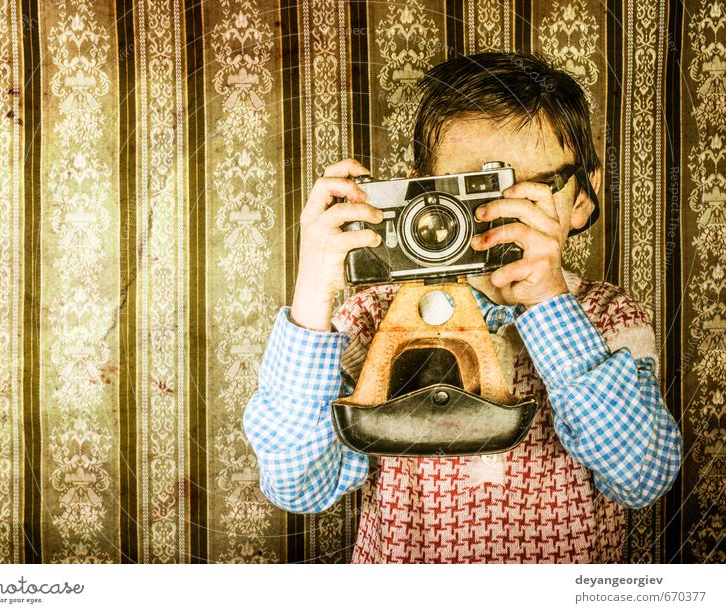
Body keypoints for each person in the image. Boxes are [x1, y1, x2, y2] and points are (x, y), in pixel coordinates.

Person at [243, 52, 681, 563]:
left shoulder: (608, 317)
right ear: (420, 196)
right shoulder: (373, 316)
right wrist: (312, 295)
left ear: (583, 196)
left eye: (532, 190)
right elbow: (300, 487)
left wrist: (550, 305)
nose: (501, 214)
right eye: (469, 191)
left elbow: (644, 478)